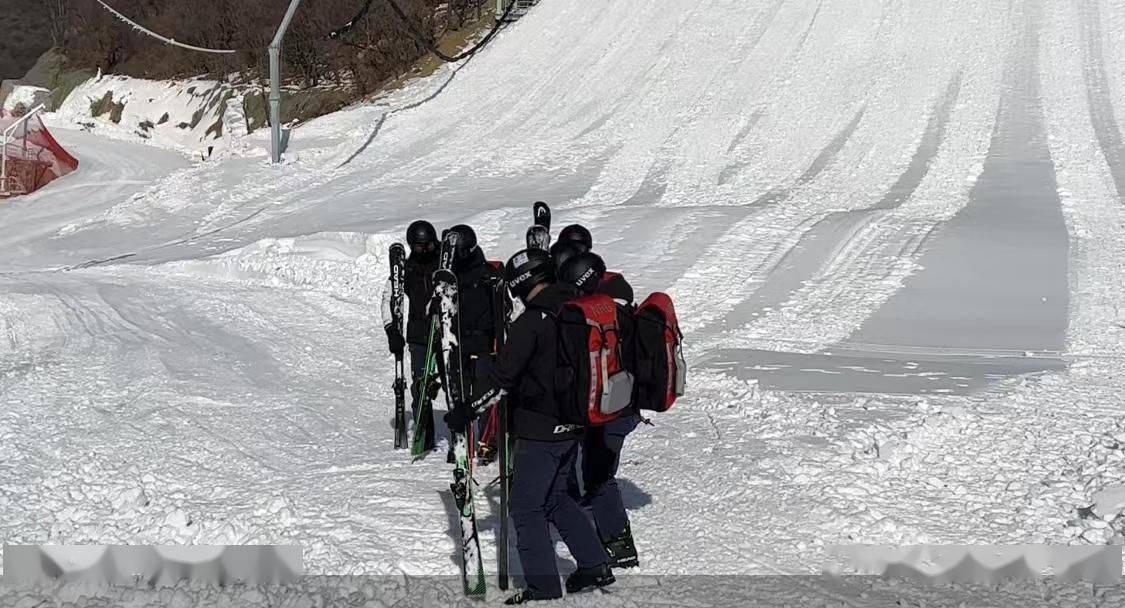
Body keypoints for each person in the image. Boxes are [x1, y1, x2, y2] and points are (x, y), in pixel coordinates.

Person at [446, 249, 615, 605]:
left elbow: (500, 381)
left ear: (523, 282)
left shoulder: (532, 322)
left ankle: (543, 588)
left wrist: (466, 411)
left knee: (526, 509)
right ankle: (595, 564)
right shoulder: (575, 307)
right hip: (576, 423)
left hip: (540, 431)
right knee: (554, 499)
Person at [559, 251, 642, 570]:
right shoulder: (620, 305)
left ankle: (620, 546)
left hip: (612, 409)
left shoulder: (600, 317)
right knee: (595, 467)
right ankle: (587, 509)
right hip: (620, 406)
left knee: (600, 476)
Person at [445, 224, 502, 463]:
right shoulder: (447, 277)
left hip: (482, 345)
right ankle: (460, 440)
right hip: (457, 343)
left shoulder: (487, 274)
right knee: (457, 392)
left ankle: (487, 441)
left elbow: (500, 310)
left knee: (482, 395)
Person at [383, 220, 441, 452]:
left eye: (428, 245)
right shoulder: (407, 269)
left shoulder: (444, 265)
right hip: (419, 335)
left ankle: (459, 437)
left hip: (447, 334)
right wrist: (391, 331)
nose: (425, 250)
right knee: (421, 386)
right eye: (419, 247)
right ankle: (424, 432)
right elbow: (388, 299)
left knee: (453, 385)